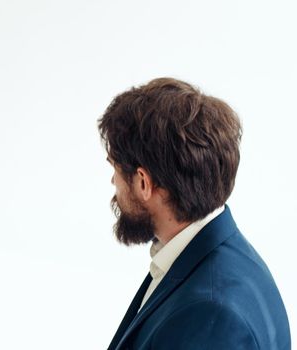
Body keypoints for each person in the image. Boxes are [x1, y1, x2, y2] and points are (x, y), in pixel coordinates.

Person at [98, 78, 291, 349]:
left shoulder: (212, 311)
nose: (113, 183)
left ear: (143, 182)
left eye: (115, 169)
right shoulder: (214, 258)